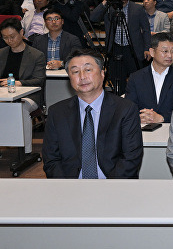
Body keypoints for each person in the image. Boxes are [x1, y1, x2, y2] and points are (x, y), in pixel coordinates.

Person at [42, 48, 143, 178]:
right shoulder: (57, 112)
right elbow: (51, 160)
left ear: (102, 73)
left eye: (88, 70)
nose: (82, 76)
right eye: (75, 72)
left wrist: (108, 190)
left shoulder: (125, 109)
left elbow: (131, 158)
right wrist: (67, 188)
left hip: (113, 187)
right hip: (71, 188)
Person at [0, 18, 45, 156]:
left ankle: (26, 151)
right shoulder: (1, 53)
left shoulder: (37, 55)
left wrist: (19, 82)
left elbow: (39, 80)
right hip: (3, 94)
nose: (9, 40)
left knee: (20, 108)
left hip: (29, 96)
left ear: (21, 32)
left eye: (12, 36)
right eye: (5, 37)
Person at [125, 32, 173, 124]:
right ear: (152, 52)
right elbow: (129, 109)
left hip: (170, 131)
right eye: (165, 51)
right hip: (142, 130)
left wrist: (162, 118)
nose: (169, 55)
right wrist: (139, 117)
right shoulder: (136, 78)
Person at [90, 0, 151, 95]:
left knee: (137, 80)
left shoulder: (137, 8)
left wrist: (147, 48)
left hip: (133, 49)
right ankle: (120, 102)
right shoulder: (109, 8)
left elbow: (146, 29)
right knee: (117, 80)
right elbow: (93, 18)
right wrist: (105, 2)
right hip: (115, 48)